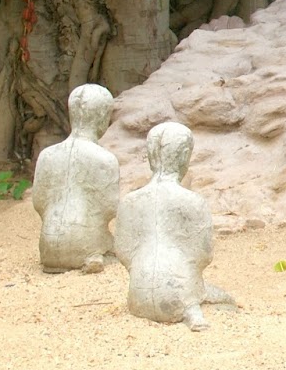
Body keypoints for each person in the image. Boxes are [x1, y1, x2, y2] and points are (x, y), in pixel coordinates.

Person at [113, 122, 236, 331]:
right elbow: (204, 254)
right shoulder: (193, 202)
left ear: (150, 155)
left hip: (138, 293)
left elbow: (123, 251)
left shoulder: (129, 201)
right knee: (228, 301)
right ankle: (191, 309)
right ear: (185, 155)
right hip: (181, 290)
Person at [32, 83, 119, 274]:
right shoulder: (105, 159)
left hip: (48, 245)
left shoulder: (46, 155)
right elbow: (111, 207)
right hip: (84, 243)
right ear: (103, 116)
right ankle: (91, 255)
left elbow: (38, 202)